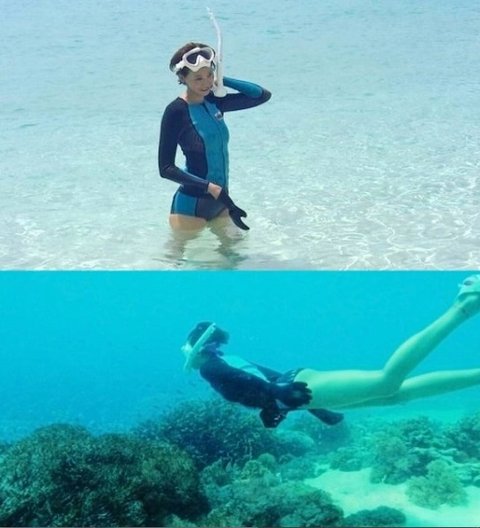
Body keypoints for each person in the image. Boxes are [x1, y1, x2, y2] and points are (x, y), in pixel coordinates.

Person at [180, 275, 480, 428]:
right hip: (300, 387)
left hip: (298, 388)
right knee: (396, 395)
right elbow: (262, 378)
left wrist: (277, 395)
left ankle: (463, 305)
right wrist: (290, 405)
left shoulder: (210, 367)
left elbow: (249, 382)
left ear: (198, 349)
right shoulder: (223, 360)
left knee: (386, 381)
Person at [158, 42, 271, 239]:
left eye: (209, 75)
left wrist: (222, 79)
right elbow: (165, 168)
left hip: (221, 203)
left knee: (233, 253)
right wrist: (210, 187)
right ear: (183, 78)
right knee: (180, 258)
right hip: (190, 207)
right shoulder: (176, 111)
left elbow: (261, 95)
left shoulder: (215, 101)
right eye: (198, 78)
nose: (206, 83)